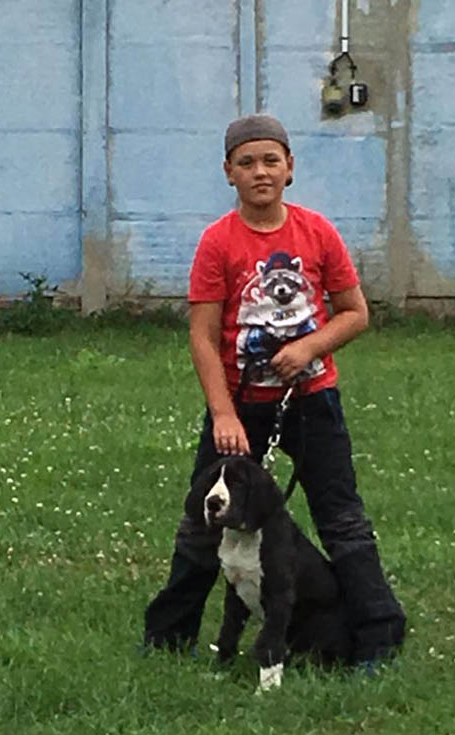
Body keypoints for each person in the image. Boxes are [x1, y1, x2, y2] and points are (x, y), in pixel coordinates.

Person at [143, 113, 405, 666]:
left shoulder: (317, 232)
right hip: (241, 408)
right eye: (246, 163)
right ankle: (168, 639)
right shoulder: (218, 242)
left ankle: (377, 638)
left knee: (342, 518)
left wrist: (310, 348)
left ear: (289, 168)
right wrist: (223, 415)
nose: (259, 172)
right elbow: (202, 336)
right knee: (203, 521)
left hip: (312, 402)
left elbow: (355, 313)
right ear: (228, 172)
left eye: (270, 161)